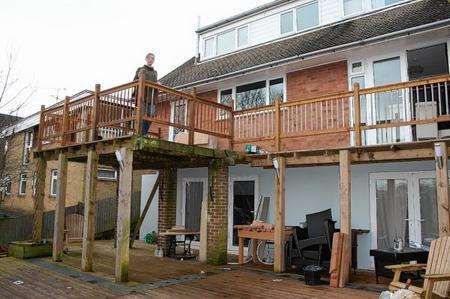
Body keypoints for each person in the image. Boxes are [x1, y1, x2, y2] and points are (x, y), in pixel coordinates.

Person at [134, 52, 158, 135]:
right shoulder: (141, 69)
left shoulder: (155, 72)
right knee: (142, 115)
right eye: (149, 58)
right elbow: (135, 81)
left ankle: (144, 133)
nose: (151, 60)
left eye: (153, 59)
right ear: (146, 59)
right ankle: (142, 134)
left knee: (151, 115)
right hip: (143, 96)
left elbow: (155, 82)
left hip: (152, 98)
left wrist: (157, 84)